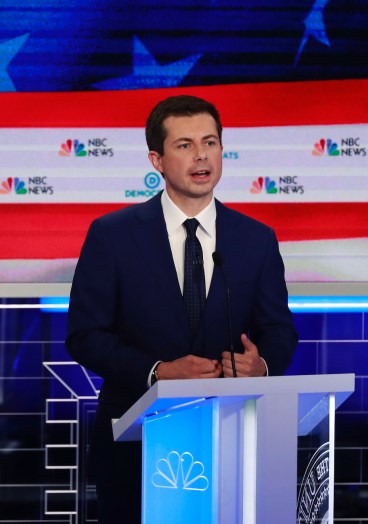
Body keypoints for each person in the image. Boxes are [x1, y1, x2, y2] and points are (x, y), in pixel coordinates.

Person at [66, 95, 298, 523]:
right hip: (134, 445)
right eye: (185, 145)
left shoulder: (256, 239)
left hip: (230, 437)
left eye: (210, 142)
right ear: (157, 159)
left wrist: (260, 365)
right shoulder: (112, 235)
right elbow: (85, 335)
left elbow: (280, 330)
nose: (201, 155)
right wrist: (157, 371)